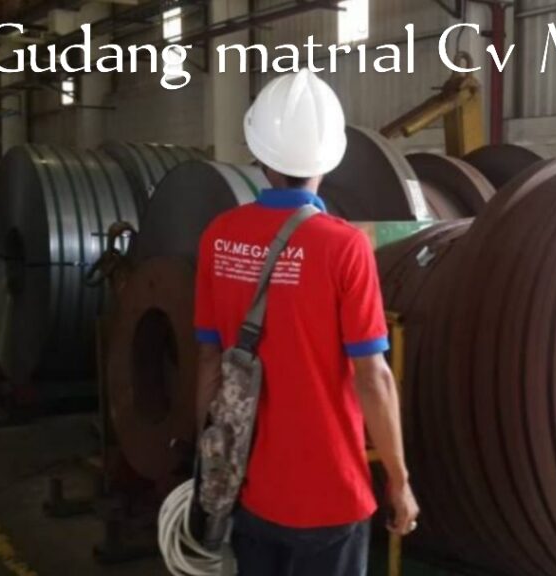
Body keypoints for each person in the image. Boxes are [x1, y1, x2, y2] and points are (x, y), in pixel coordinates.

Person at [193, 69, 419, 575]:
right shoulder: (344, 246)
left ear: (259, 153)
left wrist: (208, 458)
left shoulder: (219, 236)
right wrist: (399, 479)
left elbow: (209, 358)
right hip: (330, 494)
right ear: (330, 157)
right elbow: (373, 376)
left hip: (246, 486)